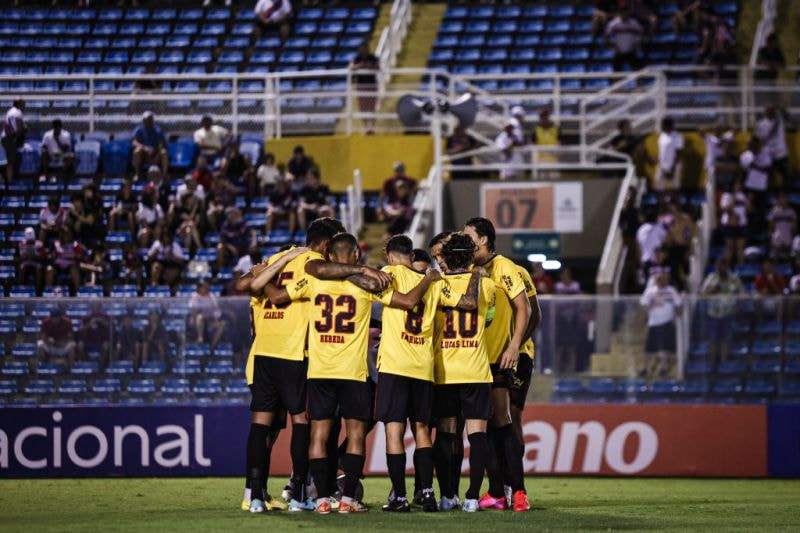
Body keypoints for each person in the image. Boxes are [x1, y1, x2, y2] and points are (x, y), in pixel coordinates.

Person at [266, 232, 437, 515]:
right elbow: (406, 302)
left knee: (319, 434)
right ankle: (348, 500)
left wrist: (266, 272)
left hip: (319, 370)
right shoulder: (368, 284)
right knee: (356, 435)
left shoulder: (313, 279)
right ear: (357, 255)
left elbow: (277, 295)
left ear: (330, 256)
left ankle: (321, 500)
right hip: (352, 371)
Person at [241, 218, 390, 513]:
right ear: (327, 246)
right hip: (304, 356)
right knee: (308, 424)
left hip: (269, 356)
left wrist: (267, 273)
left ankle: (256, 494)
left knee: (268, 427)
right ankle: (304, 492)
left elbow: (252, 287)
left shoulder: (287, 264)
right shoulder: (321, 270)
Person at [376, 235, 482, 512]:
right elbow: (469, 303)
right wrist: (475, 275)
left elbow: (404, 300)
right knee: (422, 430)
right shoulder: (436, 282)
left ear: (389, 255)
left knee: (394, 431)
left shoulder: (389, 274)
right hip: (424, 368)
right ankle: (427, 492)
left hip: (395, 365)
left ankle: (399, 496)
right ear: (412, 255)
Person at [427, 233, 499, 513]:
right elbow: (490, 320)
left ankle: (447, 495)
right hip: (476, 370)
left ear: (447, 257)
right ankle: (472, 496)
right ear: (470, 256)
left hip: (444, 370)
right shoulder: (488, 285)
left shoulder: (436, 285)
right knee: (477, 435)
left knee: (446, 434)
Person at [463, 218, 531, 512]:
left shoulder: (505, 268)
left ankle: (518, 491)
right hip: (474, 359)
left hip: (497, 357)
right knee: (489, 426)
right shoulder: (469, 270)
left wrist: (515, 345)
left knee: (504, 422)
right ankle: (498, 492)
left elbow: (525, 307)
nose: (466, 242)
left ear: (484, 240)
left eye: (469, 237)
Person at [701, 258, 744, 368]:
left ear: (726, 266)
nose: (720, 268)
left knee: (726, 339)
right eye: (718, 266)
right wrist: (713, 290)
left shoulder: (734, 279)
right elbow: (703, 294)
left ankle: (724, 365)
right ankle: (712, 364)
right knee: (713, 339)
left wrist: (737, 307)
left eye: (722, 266)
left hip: (728, 313)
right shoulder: (711, 278)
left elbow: (743, 295)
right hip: (713, 314)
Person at [640, 272, 682, 378]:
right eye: (659, 279)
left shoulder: (671, 291)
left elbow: (679, 304)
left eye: (663, 279)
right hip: (654, 323)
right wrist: (652, 306)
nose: (661, 281)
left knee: (665, 347)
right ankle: (644, 368)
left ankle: (663, 367)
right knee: (649, 348)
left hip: (667, 322)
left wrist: (677, 315)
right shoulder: (650, 291)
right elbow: (644, 303)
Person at [378, 162, 417, 235]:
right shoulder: (389, 182)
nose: (399, 172)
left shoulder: (409, 180)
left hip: (404, 207)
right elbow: (383, 194)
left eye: (400, 170)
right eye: (397, 170)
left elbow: (415, 188)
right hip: (393, 206)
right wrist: (379, 206)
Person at [755, 106, 789, 188]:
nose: (771, 112)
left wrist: (780, 106)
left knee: (786, 176)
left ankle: (784, 196)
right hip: (769, 155)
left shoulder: (779, 119)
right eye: (768, 111)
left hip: (781, 153)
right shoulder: (761, 124)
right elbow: (759, 140)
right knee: (769, 177)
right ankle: (771, 194)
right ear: (765, 112)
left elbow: (787, 115)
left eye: (772, 110)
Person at [350, 42, 379, 134]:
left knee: (372, 107)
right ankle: (366, 127)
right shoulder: (357, 58)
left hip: (372, 85)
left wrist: (367, 66)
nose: (364, 50)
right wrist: (360, 66)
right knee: (362, 107)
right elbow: (351, 67)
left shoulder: (373, 58)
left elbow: (377, 67)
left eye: (366, 48)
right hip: (361, 86)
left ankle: (371, 126)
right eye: (362, 48)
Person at [740, 137, 772, 218]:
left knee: (761, 209)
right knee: (749, 209)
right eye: (749, 145)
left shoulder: (766, 154)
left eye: (753, 145)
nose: (751, 146)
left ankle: (760, 227)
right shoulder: (744, 156)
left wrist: (755, 166)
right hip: (749, 187)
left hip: (762, 187)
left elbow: (768, 170)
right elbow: (743, 172)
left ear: (758, 145)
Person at [719, 179, 749, 266]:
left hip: (742, 224)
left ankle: (742, 269)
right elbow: (723, 208)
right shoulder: (727, 195)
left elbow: (748, 209)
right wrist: (733, 204)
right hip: (729, 224)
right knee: (730, 248)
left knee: (741, 248)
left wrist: (749, 202)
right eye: (736, 185)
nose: (738, 186)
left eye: (739, 185)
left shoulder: (743, 195)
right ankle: (727, 268)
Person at [46, 230, 85, 295]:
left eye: (68, 235)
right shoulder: (56, 244)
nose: (66, 236)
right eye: (64, 235)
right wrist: (53, 255)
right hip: (58, 266)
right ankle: (48, 291)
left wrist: (75, 256)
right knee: (49, 269)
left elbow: (80, 256)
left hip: (70, 266)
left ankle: (77, 290)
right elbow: (51, 257)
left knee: (74, 270)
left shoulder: (75, 245)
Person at [132, 111, 168, 180]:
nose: (149, 121)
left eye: (150, 119)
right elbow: (134, 142)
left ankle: (164, 175)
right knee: (137, 151)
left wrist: (155, 152)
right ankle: (137, 174)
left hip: (155, 153)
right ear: (143, 120)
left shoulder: (158, 130)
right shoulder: (139, 129)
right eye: (147, 119)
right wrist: (144, 148)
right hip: (144, 154)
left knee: (163, 152)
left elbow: (161, 144)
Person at [655, 117, 684, 193]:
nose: (661, 127)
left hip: (673, 166)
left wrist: (672, 169)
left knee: (675, 189)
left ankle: (677, 205)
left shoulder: (677, 136)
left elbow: (678, 153)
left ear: (668, 126)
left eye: (662, 125)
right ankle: (661, 205)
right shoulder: (662, 136)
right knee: (659, 188)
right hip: (662, 166)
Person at [79, 303, 112, 369]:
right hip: (89, 340)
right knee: (80, 346)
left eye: (98, 306)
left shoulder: (106, 316)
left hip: (102, 340)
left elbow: (111, 329)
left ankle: (101, 366)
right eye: (94, 306)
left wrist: (104, 322)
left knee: (106, 346)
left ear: (100, 307)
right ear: (91, 307)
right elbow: (81, 330)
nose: (96, 308)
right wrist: (89, 323)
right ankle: (86, 364)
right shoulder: (86, 317)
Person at [2, 98, 26, 184]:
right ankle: (9, 182)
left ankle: (8, 181)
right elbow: (19, 128)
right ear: (19, 104)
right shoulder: (17, 112)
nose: (24, 106)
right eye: (23, 104)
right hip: (10, 139)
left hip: (6, 138)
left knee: (10, 161)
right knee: (10, 162)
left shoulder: (10, 111)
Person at [767, 192, 797, 260]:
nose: (783, 200)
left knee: (788, 256)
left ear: (787, 200)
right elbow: (770, 225)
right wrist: (771, 235)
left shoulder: (791, 211)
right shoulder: (775, 211)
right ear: (779, 199)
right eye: (781, 198)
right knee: (775, 256)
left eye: (784, 198)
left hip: (788, 235)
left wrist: (793, 236)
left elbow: (795, 225)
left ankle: (788, 269)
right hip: (777, 235)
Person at [18, 226, 46, 294]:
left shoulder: (39, 244)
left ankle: (38, 291)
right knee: (21, 268)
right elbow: (18, 257)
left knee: (39, 268)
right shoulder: (21, 243)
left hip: (36, 262)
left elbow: (43, 256)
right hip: (25, 262)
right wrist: (24, 257)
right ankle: (20, 289)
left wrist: (35, 256)